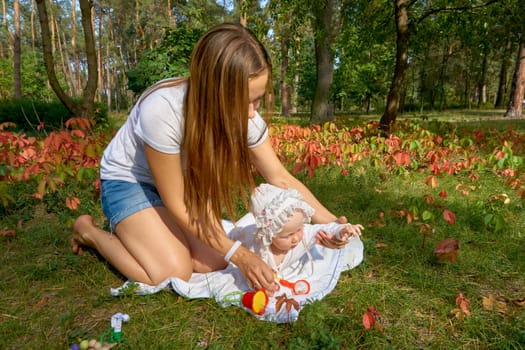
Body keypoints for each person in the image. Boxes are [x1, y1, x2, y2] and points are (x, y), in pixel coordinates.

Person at [71, 23, 347, 294]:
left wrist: (333, 223)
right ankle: (90, 233)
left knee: (213, 260)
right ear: (212, 91)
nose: (252, 113)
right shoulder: (164, 110)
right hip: (130, 183)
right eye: (243, 101)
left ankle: (146, 234)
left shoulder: (245, 117)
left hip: (178, 184)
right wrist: (240, 256)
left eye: (257, 100)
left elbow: (279, 176)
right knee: (173, 270)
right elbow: (177, 202)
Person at [229, 183, 363, 274]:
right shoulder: (253, 242)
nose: (296, 238)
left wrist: (342, 231)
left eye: (299, 229)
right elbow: (232, 247)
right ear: (268, 236)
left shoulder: (303, 235)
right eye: (286, 236)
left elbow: (325, 230)